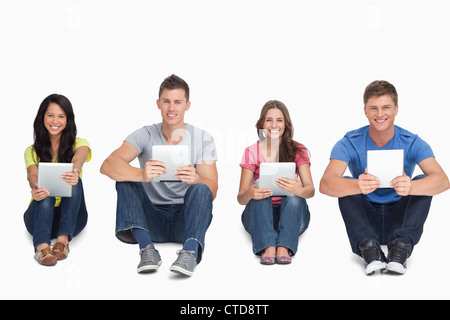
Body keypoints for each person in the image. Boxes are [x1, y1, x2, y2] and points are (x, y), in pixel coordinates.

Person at [320, 80, 450, 275]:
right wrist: (357, 185)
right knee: (345, 182)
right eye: (373, 108)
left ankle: (400, 248)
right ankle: (369, 249)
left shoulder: (412, 141)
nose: (380, 114)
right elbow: (325, 183)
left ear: (396, 109)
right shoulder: (349, 142)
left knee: (423, 179)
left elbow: (442, 180)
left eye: (386, 107)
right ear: (365, 110)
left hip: (400, 220)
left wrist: (412, 188)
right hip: (366, 219)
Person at [100, 74, 218, 276]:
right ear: (158, 104)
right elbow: (107, 165)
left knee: (201, 188)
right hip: (150, 219)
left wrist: (196, 179)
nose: (172, 108)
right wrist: (141, 174)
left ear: (187, 105)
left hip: (187, 220)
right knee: (125, 179)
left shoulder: (202, 138)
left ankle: (189, 251)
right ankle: (147, 250)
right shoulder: (145, 134)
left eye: (178, 102)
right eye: (166, 102)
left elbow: (213, 189)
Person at [237, 100, 314, 265]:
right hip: (259, 218)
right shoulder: (251, 151)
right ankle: (268, 245)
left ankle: (284, 246)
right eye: (269, 120)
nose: (274, 125)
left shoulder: (298, 149)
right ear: (262, 124)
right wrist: (250, 192)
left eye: (279, 120)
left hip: (293, 218)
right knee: (259, 183)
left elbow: (310, 190)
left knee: (295, 191)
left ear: (286, 124)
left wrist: (298, 189)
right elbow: (241, 198)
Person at [24, 94, 91, 266]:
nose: (55, 121)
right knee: (47, 187)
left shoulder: (79, 143)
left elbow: (79, 158)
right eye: (50, 115)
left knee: (74, 181)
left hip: (71, 219)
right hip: (40, 216)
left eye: (61, 116)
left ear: (68, 120)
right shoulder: (31, 151)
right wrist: (36, 186)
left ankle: (62, 241)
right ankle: (42, 247)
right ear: (43, 117)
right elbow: (32, 174)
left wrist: (74, 170)